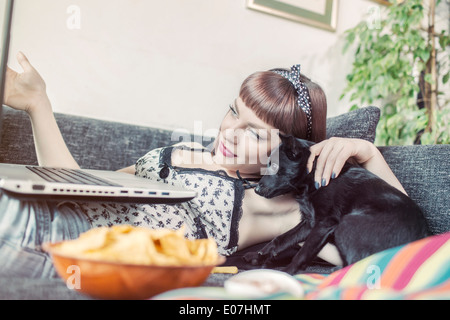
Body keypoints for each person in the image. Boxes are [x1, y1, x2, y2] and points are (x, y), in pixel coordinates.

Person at [1, 52, 407, 277]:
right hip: (47, 216)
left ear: (290, 152)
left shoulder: (276, 205)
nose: (230, 132)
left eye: (254, 133)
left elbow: (405, 244)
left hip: (72, 252)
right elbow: (74, 188)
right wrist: (39, 103)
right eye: (234, 112)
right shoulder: (185, 151)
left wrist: (368, 154)